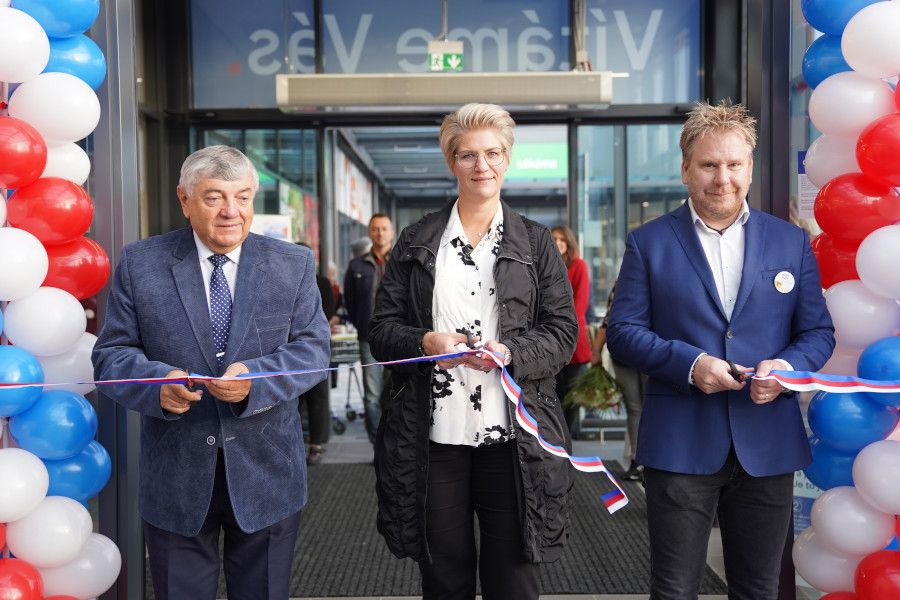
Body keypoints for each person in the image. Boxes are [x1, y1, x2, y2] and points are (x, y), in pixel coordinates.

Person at [606, 101, 835, 600]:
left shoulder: (790, 242)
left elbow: (818, 333)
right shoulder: (649, 243)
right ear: (686, 168)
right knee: (674, 589)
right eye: (709, 165)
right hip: (681, 442)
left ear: (750, 167)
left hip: (767, 442)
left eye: (734, 165)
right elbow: (622, 331)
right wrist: (691, 364)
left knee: (758, 589)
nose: (722, 178)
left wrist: (787, 367)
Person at [92, 146, 331, 600]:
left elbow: (314, 351)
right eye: (214, 197)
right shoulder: (142, 264)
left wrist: (255, 379)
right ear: (184, 200)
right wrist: (155, 385)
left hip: (268, 478)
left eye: (243, 198)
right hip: (176, 479)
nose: (231, 212)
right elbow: (111, 355)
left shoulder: (292, 264)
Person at [368, 103, 578, 600]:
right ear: (451, 162)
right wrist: (425, 342)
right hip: (435, 433)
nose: (481, 165)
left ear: (507, 159)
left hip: (515, 437)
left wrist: (511, 351)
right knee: (444, 576)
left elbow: (562, 332)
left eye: (493, 153)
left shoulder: (537, 241)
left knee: (514, 578)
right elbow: (381, 331)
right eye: (467, 155)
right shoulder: (417, 240)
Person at [343, 214, 394, 444]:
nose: (380, 233)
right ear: (370, 233)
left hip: (397, 338)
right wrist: (362, 325)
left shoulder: (402, 262)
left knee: (394, 391)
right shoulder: (357, 266)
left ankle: (394, 439)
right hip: (368, 338)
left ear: (391, 232)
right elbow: (350, 302)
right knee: (372, 395)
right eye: (375, 229)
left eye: (384, 229)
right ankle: (378, 443)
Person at [592, 279, 645, 481]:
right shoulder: (621, 284)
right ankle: (639, 461)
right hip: (632, 355)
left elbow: (607, 321)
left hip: (641, 354)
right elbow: (607, 321)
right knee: (637, 408)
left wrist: (597, 350)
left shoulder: (624, 283)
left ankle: (641, 461)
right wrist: (596, 351)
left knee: (640, 409)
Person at [550, 225, 592, 439]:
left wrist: (557, 325)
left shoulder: (579, 266)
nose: (558, 242)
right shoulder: (547, 266)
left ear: (569, 242)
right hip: (551, 342)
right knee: (556, 396)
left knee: (572, 400)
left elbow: (580, 304)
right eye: (554, 238)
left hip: (574, 341)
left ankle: (571, 450)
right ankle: (559, 445)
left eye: (562, 239)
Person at [297, 242, 337, 465]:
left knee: (318, 397)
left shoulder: (321, 283)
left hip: (317, 347)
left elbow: (328, 311)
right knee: (294, 398)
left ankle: (317, 444)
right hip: (289, 349)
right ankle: (296, 442)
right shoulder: (282, 283)